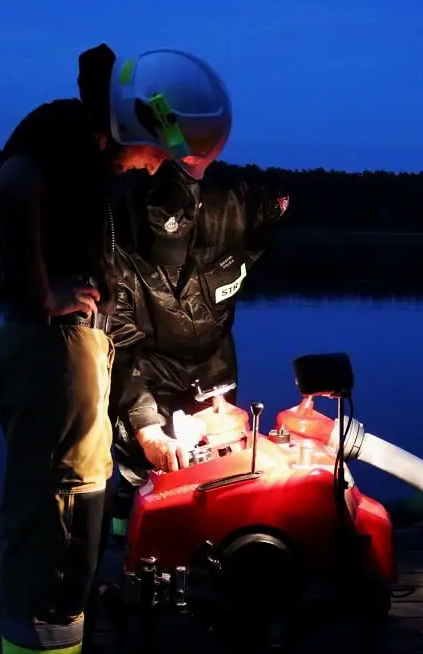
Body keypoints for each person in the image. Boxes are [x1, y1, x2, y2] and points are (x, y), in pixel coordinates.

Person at [0, 43, 232, 654]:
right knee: (57, 522)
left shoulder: (89, 149)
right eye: (156, 151)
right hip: (53, 352)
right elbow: (10, 191)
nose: (154, 166)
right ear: (135, 124)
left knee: (83, 514)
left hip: (74, 352)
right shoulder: (65, 132)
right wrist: (42, 295)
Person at [105, 164, 290, 540]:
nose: (170, 260)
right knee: (144, 467)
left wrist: (269, 215)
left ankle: (214, 540)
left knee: (221, 464)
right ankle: (126, 539)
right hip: (149, 368)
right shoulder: (117, 248)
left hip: (214, 367)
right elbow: (121, 347)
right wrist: (147, 429)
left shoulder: (231, 209)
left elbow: (278, 197)